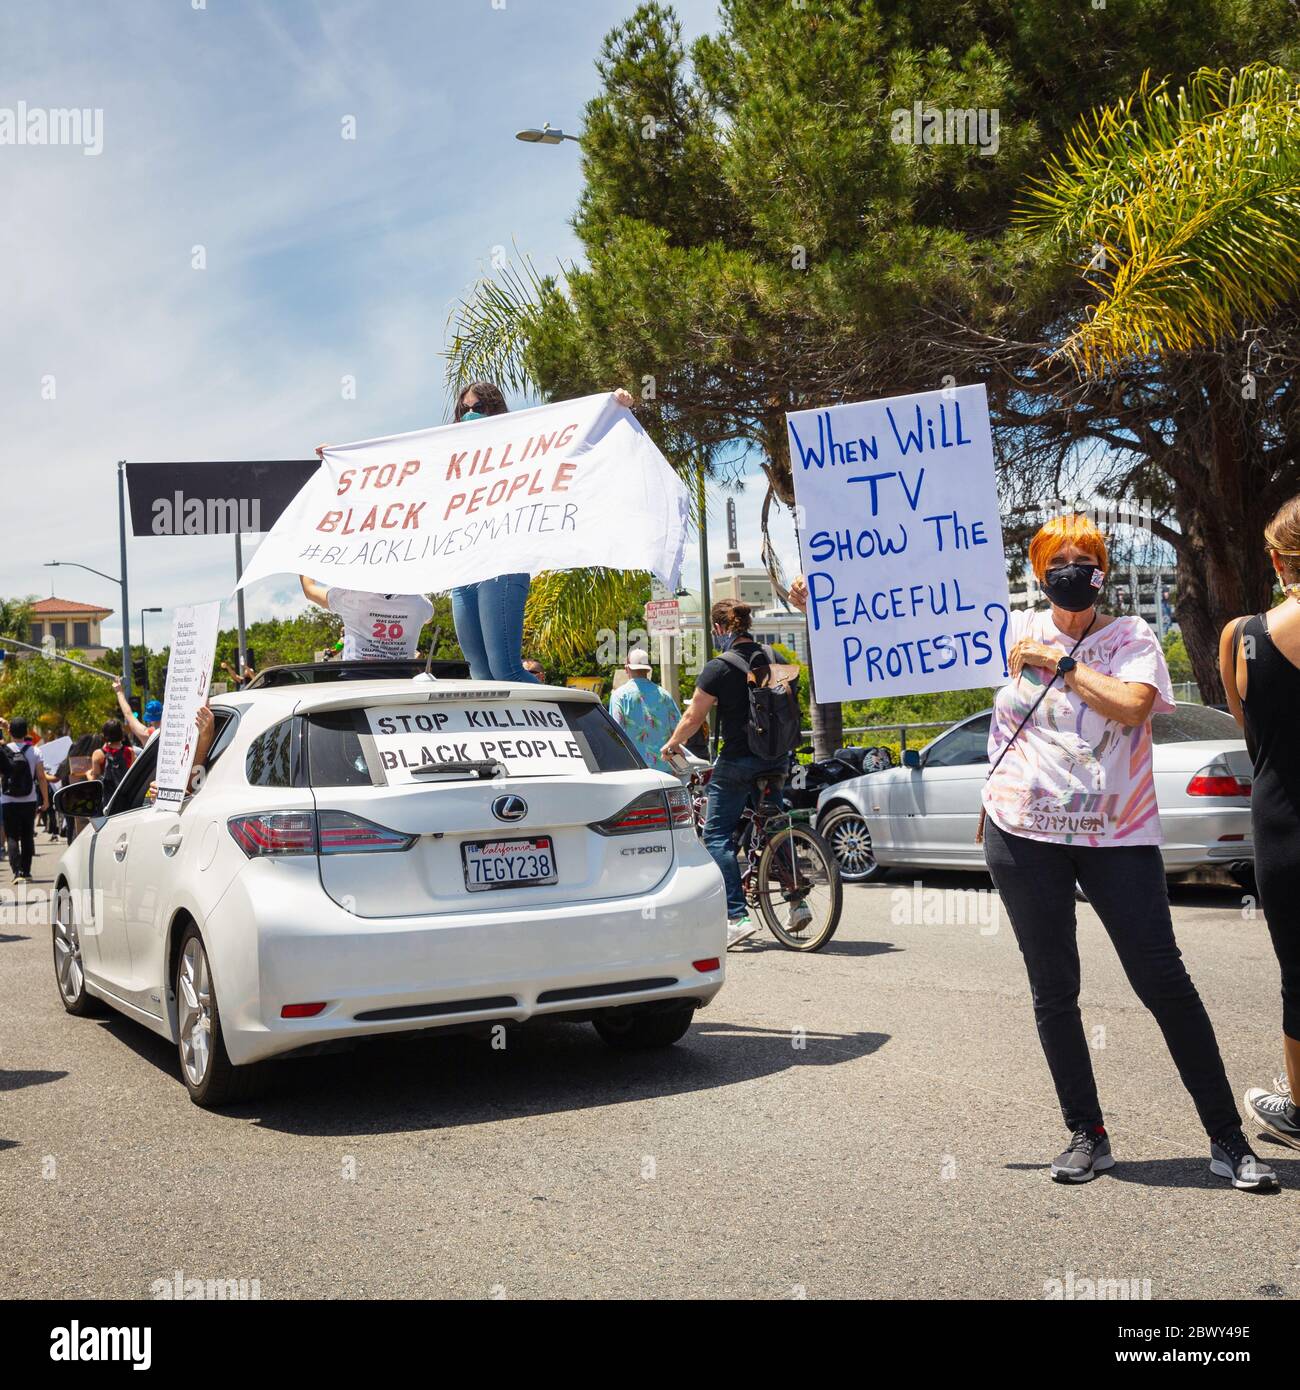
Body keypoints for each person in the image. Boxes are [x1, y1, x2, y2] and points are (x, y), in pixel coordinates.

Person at [979, 514, 1275, 1191]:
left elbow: (1134, 707)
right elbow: (915, 638)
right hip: (1024, 834)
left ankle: (1228, 1139)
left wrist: (1060, 662)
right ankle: (1087, 1133)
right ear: (1037, 570)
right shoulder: (1008, 629)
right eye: (1059, 560)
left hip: (1120, 835)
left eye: (1086, 558)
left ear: (1103, 572)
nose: (1072, 570)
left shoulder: (1131, 636)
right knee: (1054, 989)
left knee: (1163, 981)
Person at [446, 382, 636, 682]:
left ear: (494, 410)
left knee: (506, 672)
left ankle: (564, 722)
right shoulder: (451, 456)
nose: (470, 414)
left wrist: (610, 404)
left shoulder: (521, 446)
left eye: (478, 408)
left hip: (503, 566)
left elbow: (572, 438)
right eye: (464, 410)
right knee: (480, 675)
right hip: (464, 572)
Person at [1219, 496, 1300, 1152]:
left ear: (1276, 561)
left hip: (1284, 830)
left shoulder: (1241, 636)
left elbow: (1254, 738)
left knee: (1299, 977)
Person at [661, 599, 797, 948]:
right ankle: (797, 903)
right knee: (776, 824)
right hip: (776, 759)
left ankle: (736, 917)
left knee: (717, 835)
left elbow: (694, 717)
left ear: (720, 629)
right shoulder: (773, 657)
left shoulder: (717, 668)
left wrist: (673, 744)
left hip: (738, 760)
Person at [299, 577, 434, 667]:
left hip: (356, 680)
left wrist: (303, 561)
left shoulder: (351, 595)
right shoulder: (420, 603)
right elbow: (429, 618)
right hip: (402, 680)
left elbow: (310, 591)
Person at [609, 649, 681, 774]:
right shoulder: (664, 695)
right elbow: (679, 731)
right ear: (648, 670)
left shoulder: (619, 696)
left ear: (627, 669)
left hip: (634, 770)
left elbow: (615, 734)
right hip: (664, 771)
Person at [0, 716, 51, 883]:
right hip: (29, 799)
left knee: (12, 836)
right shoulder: (35, 751)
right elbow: (41, 777)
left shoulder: (4, 750)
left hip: (7, 799)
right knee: (27, 836)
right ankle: (27, 872)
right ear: (27, 731)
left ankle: (17, 873)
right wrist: (45, 800)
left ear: (10, 732)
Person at [89, 719, 136, 802]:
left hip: (108, 801)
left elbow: (95, 783)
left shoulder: (98, 754)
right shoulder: (130, 751)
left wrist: (88, 774)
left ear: (104, 735)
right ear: (121, 734)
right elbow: (133, 776)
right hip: (125, 799)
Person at [112, 677, 161, 746]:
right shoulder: (174, 732)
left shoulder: (146, 734)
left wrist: (119, 692)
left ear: (149, 719)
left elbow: (128, 714)